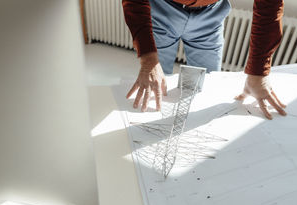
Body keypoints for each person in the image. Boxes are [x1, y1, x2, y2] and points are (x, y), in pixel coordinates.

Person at [122, 0, 287, 120]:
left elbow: (269, 6)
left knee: (207, 87)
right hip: (160, 8)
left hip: (211, 13)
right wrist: (149, 59)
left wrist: (259, 72)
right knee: (155, 88)